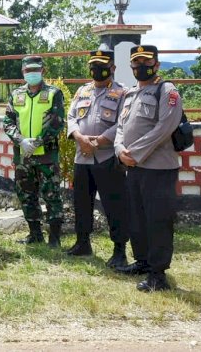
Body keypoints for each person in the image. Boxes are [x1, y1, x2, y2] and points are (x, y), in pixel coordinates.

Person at [114, 45, 182, 292]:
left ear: (157, 64)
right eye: (136, 63)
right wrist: (120, 149)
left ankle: (158, 274)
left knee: (158, 220)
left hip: (158, 168)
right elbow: (120, 126)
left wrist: (135, 153)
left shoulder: (167, 90)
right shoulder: (130, 93)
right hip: (134, 167)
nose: (140, 66)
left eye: (146, 62)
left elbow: (165, 127)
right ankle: (142, 261)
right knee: (137, 218)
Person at [65, 49, 129, 268]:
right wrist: (79, 137)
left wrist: (99, 141)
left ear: (112, 68)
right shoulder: (82, 91)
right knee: (82, 202)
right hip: (82, 157)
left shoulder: (123, 93)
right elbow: (71, 116)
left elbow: (123, 124)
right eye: (94, 65)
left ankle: (119, 250)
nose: (97, 70)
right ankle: (83, 243)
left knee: (114, 205)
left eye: (102, 66)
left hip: (107, 157)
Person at [3, 55, 66, 247]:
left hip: (46, 155)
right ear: (23, 72)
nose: (32, 74)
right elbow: (8, 122)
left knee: (52, 195)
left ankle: (54, 238)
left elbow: (57, 123)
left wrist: (37, 142)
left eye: (35, 70)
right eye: (28, 71)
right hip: (23, 156)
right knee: (26, 195)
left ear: (43, 71)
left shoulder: (54, 93)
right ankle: (35, 234)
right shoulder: (16, 95)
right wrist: (21, 141)